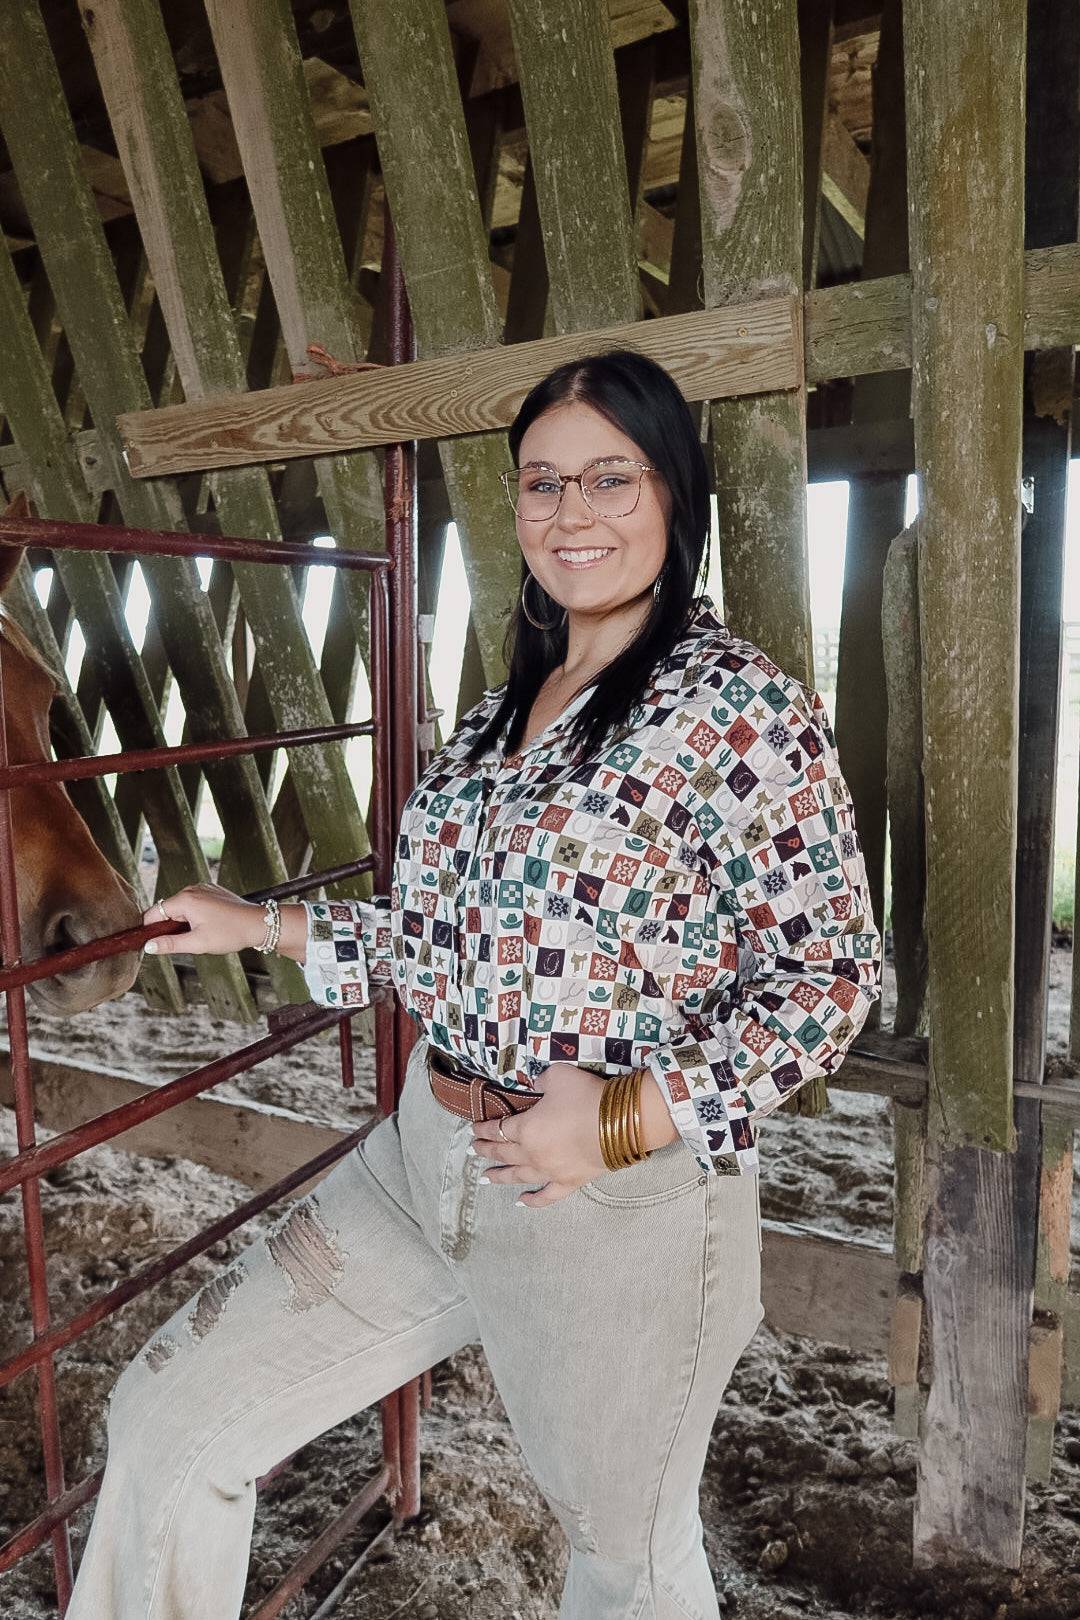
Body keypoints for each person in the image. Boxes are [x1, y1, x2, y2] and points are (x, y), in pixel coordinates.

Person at [68, 350, 882, 1619]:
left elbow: (831, 979)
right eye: (543, 483)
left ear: (675, 492)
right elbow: (443, 940)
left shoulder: (740, 710)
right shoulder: (503, 713)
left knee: (622, 1563)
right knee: (171, 1419)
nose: (572, 512)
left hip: (611, 1203)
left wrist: (620, 1121)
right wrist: (263, 924)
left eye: (611, 478)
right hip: (423, 1155)